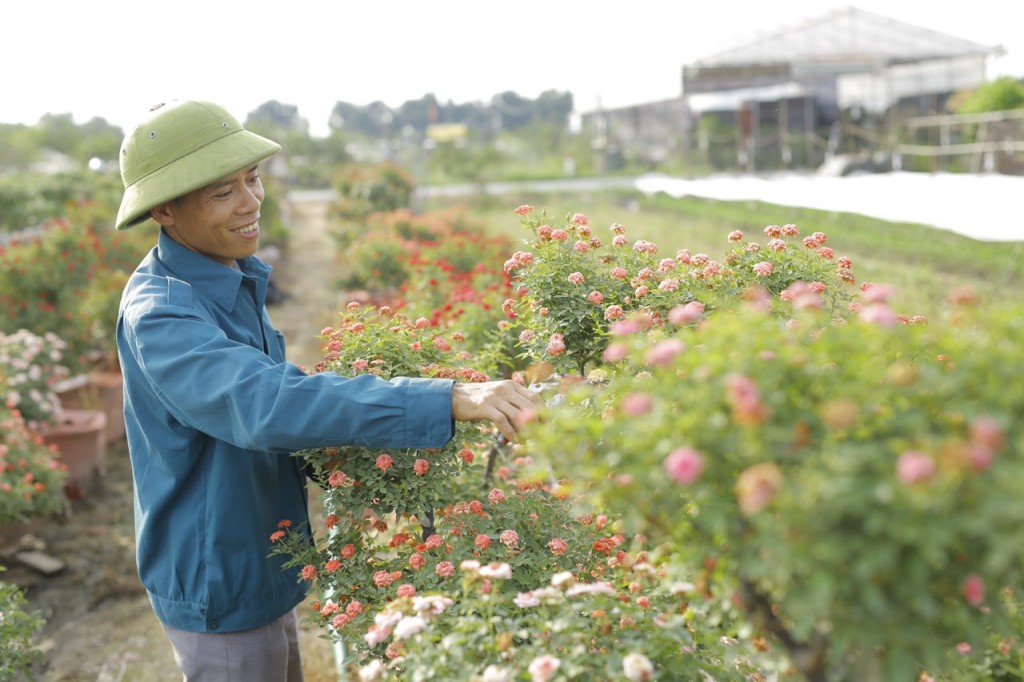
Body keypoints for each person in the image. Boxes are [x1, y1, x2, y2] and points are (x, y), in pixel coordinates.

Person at [114, 100, 541, 681]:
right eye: (223, 192)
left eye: (253, 178)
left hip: (257, 552)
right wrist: (444, 397)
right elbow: (267, 404)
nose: (251, 201)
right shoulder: (163, 316)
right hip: (219, 570)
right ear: (164, 209)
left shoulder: (221, 276)